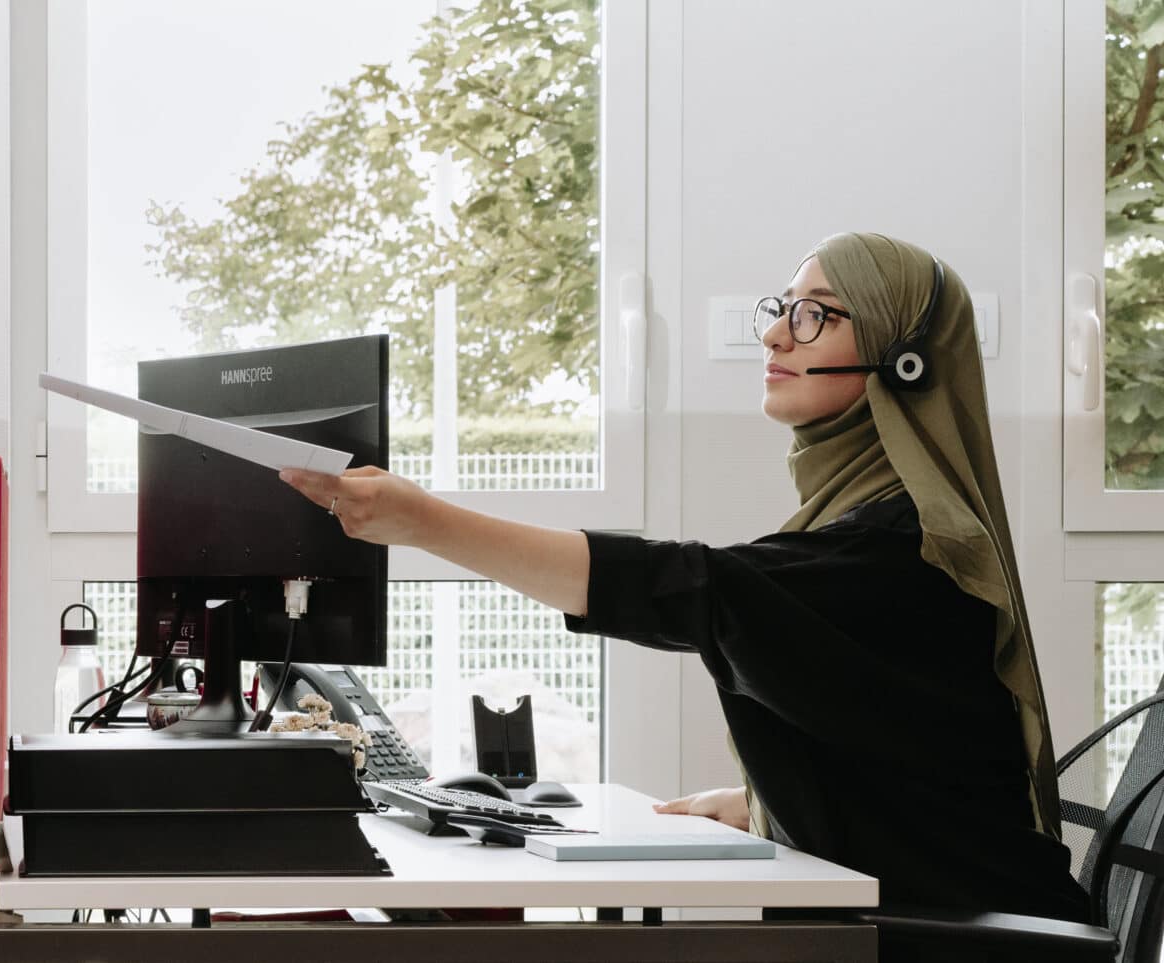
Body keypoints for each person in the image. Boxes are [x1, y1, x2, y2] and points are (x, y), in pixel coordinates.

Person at [278, 233, 1091, 927]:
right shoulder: (865, 524)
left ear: (903, 359)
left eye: (817, 315)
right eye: (782, 309)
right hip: (920, 919)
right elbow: (907, 753)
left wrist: (423, 522)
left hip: (960, 940)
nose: (777, 337)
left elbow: (698, 591)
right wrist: (761, 804)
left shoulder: (906, 544)